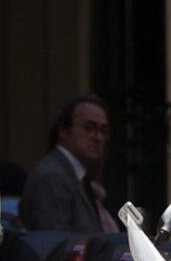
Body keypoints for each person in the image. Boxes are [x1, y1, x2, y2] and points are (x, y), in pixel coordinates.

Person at [18, 95, 116, 235]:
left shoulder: (78, 176)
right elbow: (54, 246)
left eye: (103, 130)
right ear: (64, 131)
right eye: (89, 128)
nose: (98, 137)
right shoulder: (51, 177)